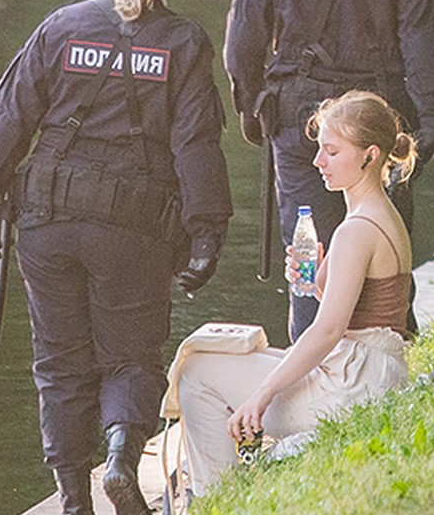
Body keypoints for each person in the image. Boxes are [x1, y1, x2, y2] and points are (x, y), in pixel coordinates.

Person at [0, 0, 232, 515]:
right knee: (131, 358)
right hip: (133, 229)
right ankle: (119, 457)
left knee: (60, 364)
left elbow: (7, 116)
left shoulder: (61, 27)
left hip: (48, 224)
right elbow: (195, 143)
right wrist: (206, 231)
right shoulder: (184, 42)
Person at [224, 0, 434, 341]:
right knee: (385, 243)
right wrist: (432, 118)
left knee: (307, 247)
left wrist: (253, 104)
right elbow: (422, 36)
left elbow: (244, 35)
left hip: (301, 118)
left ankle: (308, 352)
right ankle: (391, 351)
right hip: (379, 117)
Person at [171, 91, 413, 493]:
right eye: (320, 150)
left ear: (370, 156)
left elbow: (328, 331)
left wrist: (260, 397)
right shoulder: (375, 213)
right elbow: (365, 313)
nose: (318, 162)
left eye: (332, 152)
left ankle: (214, 496)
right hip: (369, 373)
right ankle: (224, 486)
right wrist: (321, 278)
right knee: (225, 358)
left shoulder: (357, 229)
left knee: (196, 373)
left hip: (350, 389)